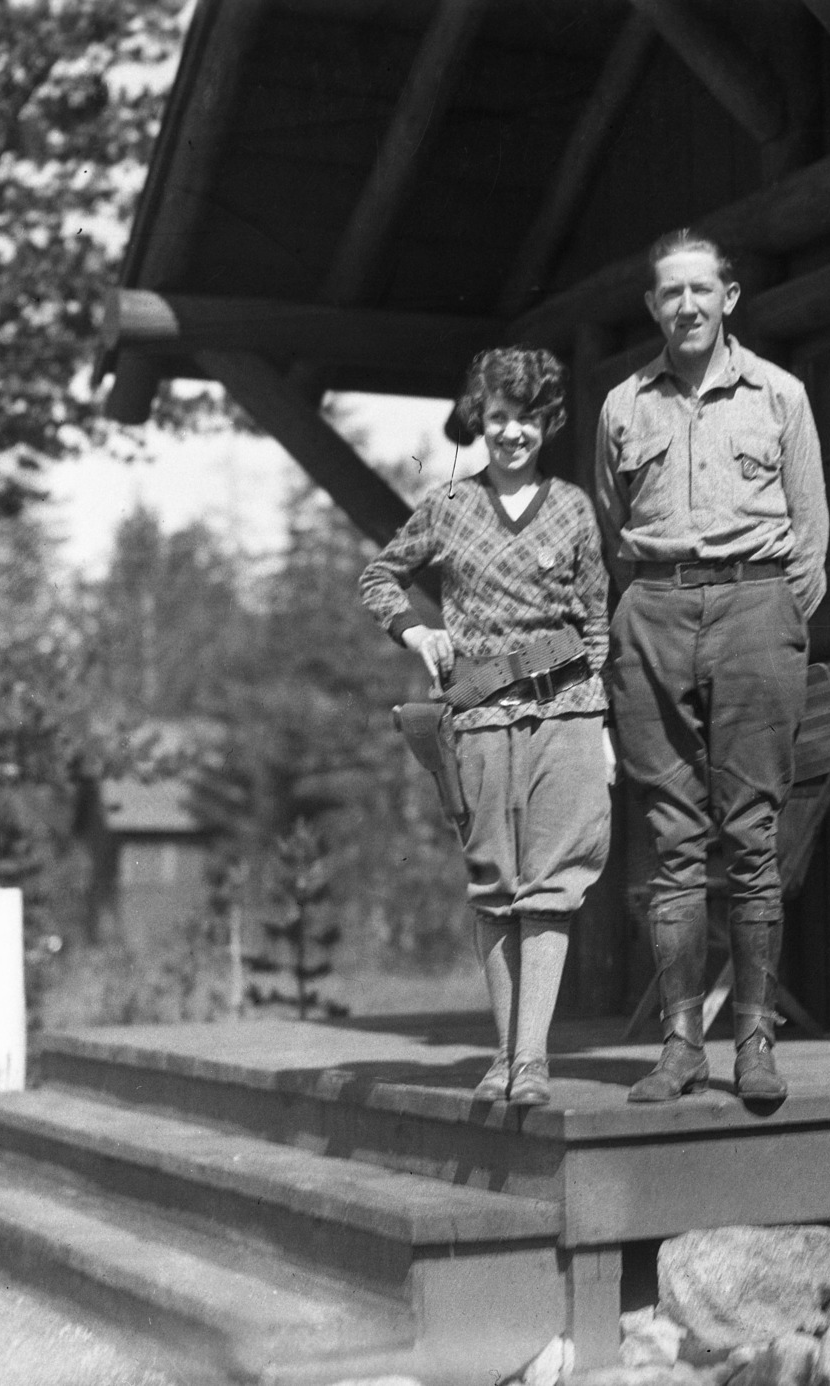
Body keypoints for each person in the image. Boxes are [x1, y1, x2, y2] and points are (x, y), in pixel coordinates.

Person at [596, 229, 828, 1103]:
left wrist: (765, 619)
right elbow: (616, 531)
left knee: (753, 837)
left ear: (729, 296)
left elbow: (811, 537)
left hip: (756, 606)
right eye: (669, 293)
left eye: (701, 290)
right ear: (652, 307)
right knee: (670, 843)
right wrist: (651, 610)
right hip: (652, 612)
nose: (686, 306)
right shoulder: (623, 406)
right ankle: (680, 1045)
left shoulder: (780, 396)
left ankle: (755, 1042)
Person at [359, 347, 613, 1108]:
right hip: (477, 716)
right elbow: (379, 577)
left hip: (567, 711)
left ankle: (530, 1061)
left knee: (553, 883)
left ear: (546, 423)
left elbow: (596, 621)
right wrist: (416, 633)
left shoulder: (571, 508)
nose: (511, 434)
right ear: (481, 418)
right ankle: (501, 1057)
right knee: (495, 884)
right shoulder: (446, 507)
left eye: (526, 419)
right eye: (498, 417)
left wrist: (601, 727)